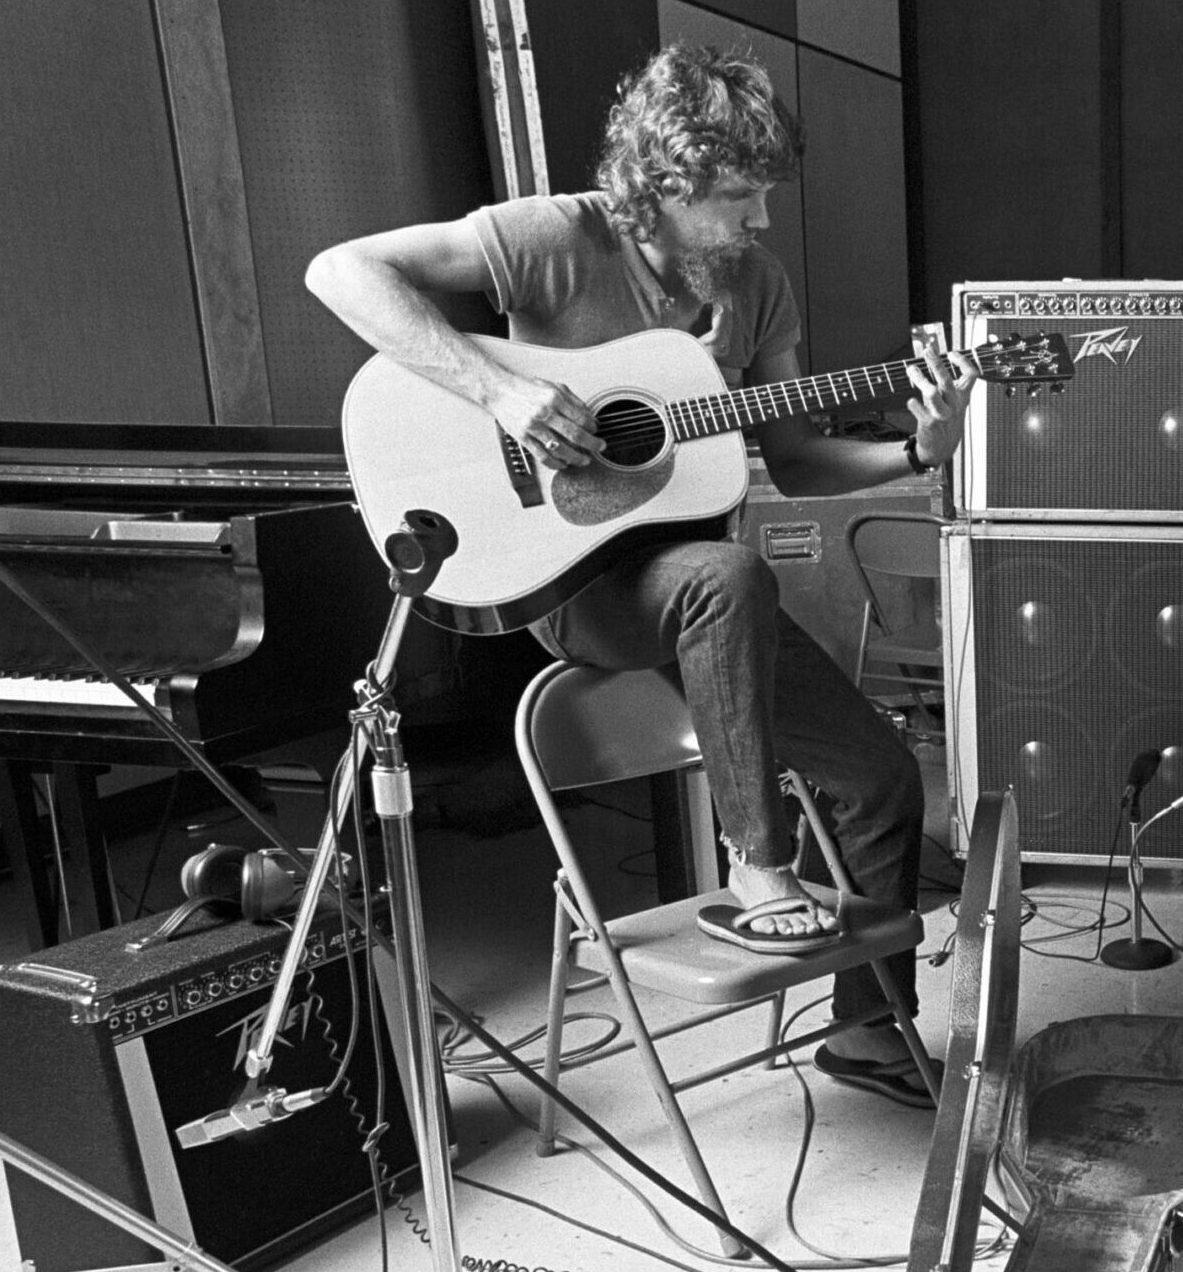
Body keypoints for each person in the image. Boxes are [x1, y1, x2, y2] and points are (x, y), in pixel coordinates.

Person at [306, 43, 969, 1108]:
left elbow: (798, 460)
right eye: (738, 197)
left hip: (699, 593)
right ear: (664, 181)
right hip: (573, 582)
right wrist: (502, 393)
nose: (761, 220)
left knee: (881, 777)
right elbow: (340, 271)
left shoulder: (756, 286)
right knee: (728, 572)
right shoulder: (553, 238)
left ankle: (868, 1032)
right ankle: (758, 864)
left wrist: (917, 452)